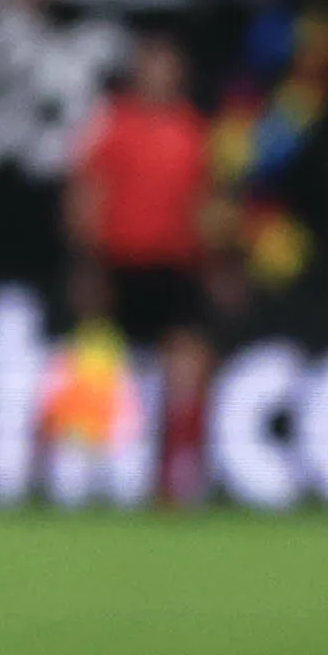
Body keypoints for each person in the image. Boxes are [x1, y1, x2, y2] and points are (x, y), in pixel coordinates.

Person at [67, 29, 221, 501]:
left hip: (174, 267)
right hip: (119, 265)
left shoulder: (194, 131)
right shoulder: (113, 126)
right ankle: (77, 475)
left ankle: (174, 481)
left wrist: (214, 263)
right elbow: (88, 196)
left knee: (189, 366)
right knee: (98, 369)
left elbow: (205, 205)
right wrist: (88, 264)